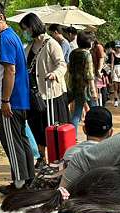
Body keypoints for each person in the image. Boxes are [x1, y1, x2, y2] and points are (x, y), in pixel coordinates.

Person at [0, 0, 34, 194]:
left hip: (11, 101)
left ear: (0, 17)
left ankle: (19, 184)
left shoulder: (5, 39)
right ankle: (27, 179)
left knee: (11, 142)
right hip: (18, 100)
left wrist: (5, 100)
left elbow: (10, 70)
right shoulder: (11, 36)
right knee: (21, 140)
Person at [20, 13, 69, 162]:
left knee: (53, 128)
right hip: (35, 95)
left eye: (25, 29)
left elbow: (62, 64)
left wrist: (55, 74)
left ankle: (57, 159)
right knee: (37, 128)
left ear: (33, 27)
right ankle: (42, 158)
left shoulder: (51, 44)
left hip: (51, 94)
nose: (25, 32)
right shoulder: (29, 47)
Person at [67, 31, 97, 131]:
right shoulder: (87, 55)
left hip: (75, 86)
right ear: (88, 42)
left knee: (77, 113)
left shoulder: (73, 53)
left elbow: (70, 70)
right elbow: (89, 75)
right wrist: (93, 90)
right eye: (92, 41)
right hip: (86, 88)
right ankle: (96, 132)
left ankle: (73, 136)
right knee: (95, 112)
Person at [109, 40, 120, 108]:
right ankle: (116, 100)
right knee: (115, 86)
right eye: (117, 47)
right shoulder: (113, 54)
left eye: (119, 47)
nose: (118, 48)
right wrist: (112, 72)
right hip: (115, 69)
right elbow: (112, 63)